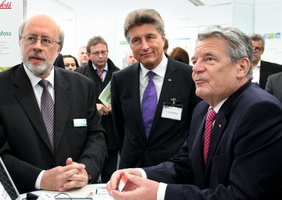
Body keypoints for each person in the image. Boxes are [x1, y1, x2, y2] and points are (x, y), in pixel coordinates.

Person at [106, 25, 282, 200]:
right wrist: (139, 174)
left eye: (209, 59)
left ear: (242, 67)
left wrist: (159, 193)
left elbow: (241, 195)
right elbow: (185, 165)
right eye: (195, 60)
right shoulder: (203, 109)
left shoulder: (259, 111)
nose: (196, 68)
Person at [0, 14, 107, 193]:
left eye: (46, 40)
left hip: (76, 192)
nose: (37, 46)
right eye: (31, 38)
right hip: (26, 193)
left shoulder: (82, 86)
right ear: (20, 43)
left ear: (58, 49)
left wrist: (85, 171)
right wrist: (40, 179)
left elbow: (96, 136)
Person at [111, 8, 200, 170]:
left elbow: (196, 127)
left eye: (150, 37)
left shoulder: (188, 76)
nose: (144, 46)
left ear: (163, 38)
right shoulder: (120, 79)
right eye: (136, 40)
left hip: (174, 170)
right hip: (131, 168)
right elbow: (120, 128)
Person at [75, 36, 120, 183]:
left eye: (103, 52)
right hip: (88, 134)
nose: (101, 56)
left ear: (108, 52)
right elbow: (72, 104)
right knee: (88, 175)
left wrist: (116, 106)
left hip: (112, 133)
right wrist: (93, 107)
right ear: (88, 55)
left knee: (110, 176)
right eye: (96, 53)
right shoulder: (78, 74)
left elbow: (127, 101)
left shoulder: (119, 74)